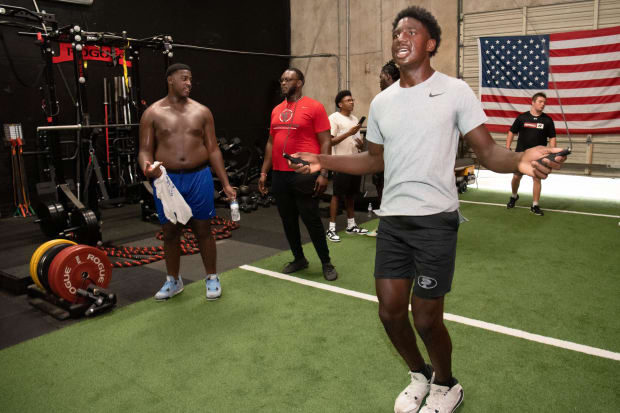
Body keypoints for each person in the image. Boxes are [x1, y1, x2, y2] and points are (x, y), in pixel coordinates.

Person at [288, 6, 566, 413]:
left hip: (436, 220)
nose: (400, 38)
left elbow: (487, 151)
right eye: (396, 33)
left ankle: (447, 384)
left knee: (426, 318)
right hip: (394, 220)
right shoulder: (382, 102)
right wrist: (323, 161)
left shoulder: (455, 91)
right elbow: (373, 162)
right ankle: (419, 374)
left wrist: (521, 159)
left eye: (411, 32)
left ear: (430, 43)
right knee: (389, 312)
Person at [138, 63, 236, 301]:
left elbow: (213, 149)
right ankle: (173, 281)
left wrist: (225, 183)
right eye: (184, 79)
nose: (189, 83)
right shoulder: (152, 113)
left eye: (190, 79)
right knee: (171, 231)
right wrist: (146, 167)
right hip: (167, 180)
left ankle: (211, 277)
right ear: (170, 80)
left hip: (199, 176)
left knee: (203, 229)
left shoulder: (202, 112)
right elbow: (144, 150)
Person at [258, 68, 338, 281]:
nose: (283, 83)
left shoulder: (315, 107)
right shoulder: (276, 110)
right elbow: (271, 142)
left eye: (288, 79)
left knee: (311, 219)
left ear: (300, 83)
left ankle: (326, 262)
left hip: (304, 173)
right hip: (280, 175)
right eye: (282, 79)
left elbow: (325, 140)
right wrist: (264, 172)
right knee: (288, 220)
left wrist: (324, 172)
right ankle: (299, 258)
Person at [326, 90, 368, 242]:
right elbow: (330, 142)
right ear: (340, 104)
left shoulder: (355, 119)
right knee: (337, 194)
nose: (352, 102)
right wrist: (349, 133)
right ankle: (331, 229)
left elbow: (355, 141)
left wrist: (361, 144)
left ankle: (351, 225)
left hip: (354, 161)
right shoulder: (334, 118)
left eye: (352, 100)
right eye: (348, 100)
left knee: (351, 194)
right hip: (341, 162)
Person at [505, 92, 557, 215]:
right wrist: (507, 148)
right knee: (516, 177)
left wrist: (552, 153)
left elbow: (552, 137)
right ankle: (513, 196)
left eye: (544, 102)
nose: (543, 104)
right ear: (532, 102)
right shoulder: (521, 118)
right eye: (540, 101)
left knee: (536, 179)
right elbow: (511, 132)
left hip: (538, 156)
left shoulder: (548, 120)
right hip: (521, 155)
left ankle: (535, 205)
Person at [367, 60, 401, 237]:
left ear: (387, 76)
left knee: (389, 195)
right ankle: (386, 226)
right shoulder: (381, 102)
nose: (379, 81)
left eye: (380, 77)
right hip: (384, 159)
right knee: (384, 193)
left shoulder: (394, 99)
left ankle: (389, 228)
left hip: (392, 161)